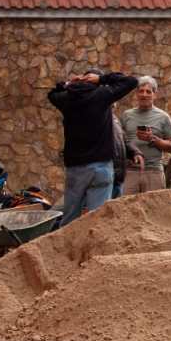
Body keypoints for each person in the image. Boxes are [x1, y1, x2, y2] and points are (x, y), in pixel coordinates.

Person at [48, 67, 138, 226]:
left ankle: (70, 248)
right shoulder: (102, 96)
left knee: (70, 219)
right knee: (98, 220)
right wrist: (101, 79)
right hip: (101, 167)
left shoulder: (65, 99)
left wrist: (68, 83)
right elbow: (131, 81)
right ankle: (96, 250)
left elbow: (52, 94)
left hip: (75, 169)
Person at [121, 75, 171, 195]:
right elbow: (120, 142)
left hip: (154, 171)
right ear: (136, 94)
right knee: (127, 212)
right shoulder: (126, 115)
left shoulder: (163, 117)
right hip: (130, 172)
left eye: (148, 92)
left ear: (154, 94)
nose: (144, 94)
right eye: (141, 91)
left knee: (154, 212)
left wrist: (153, 139)